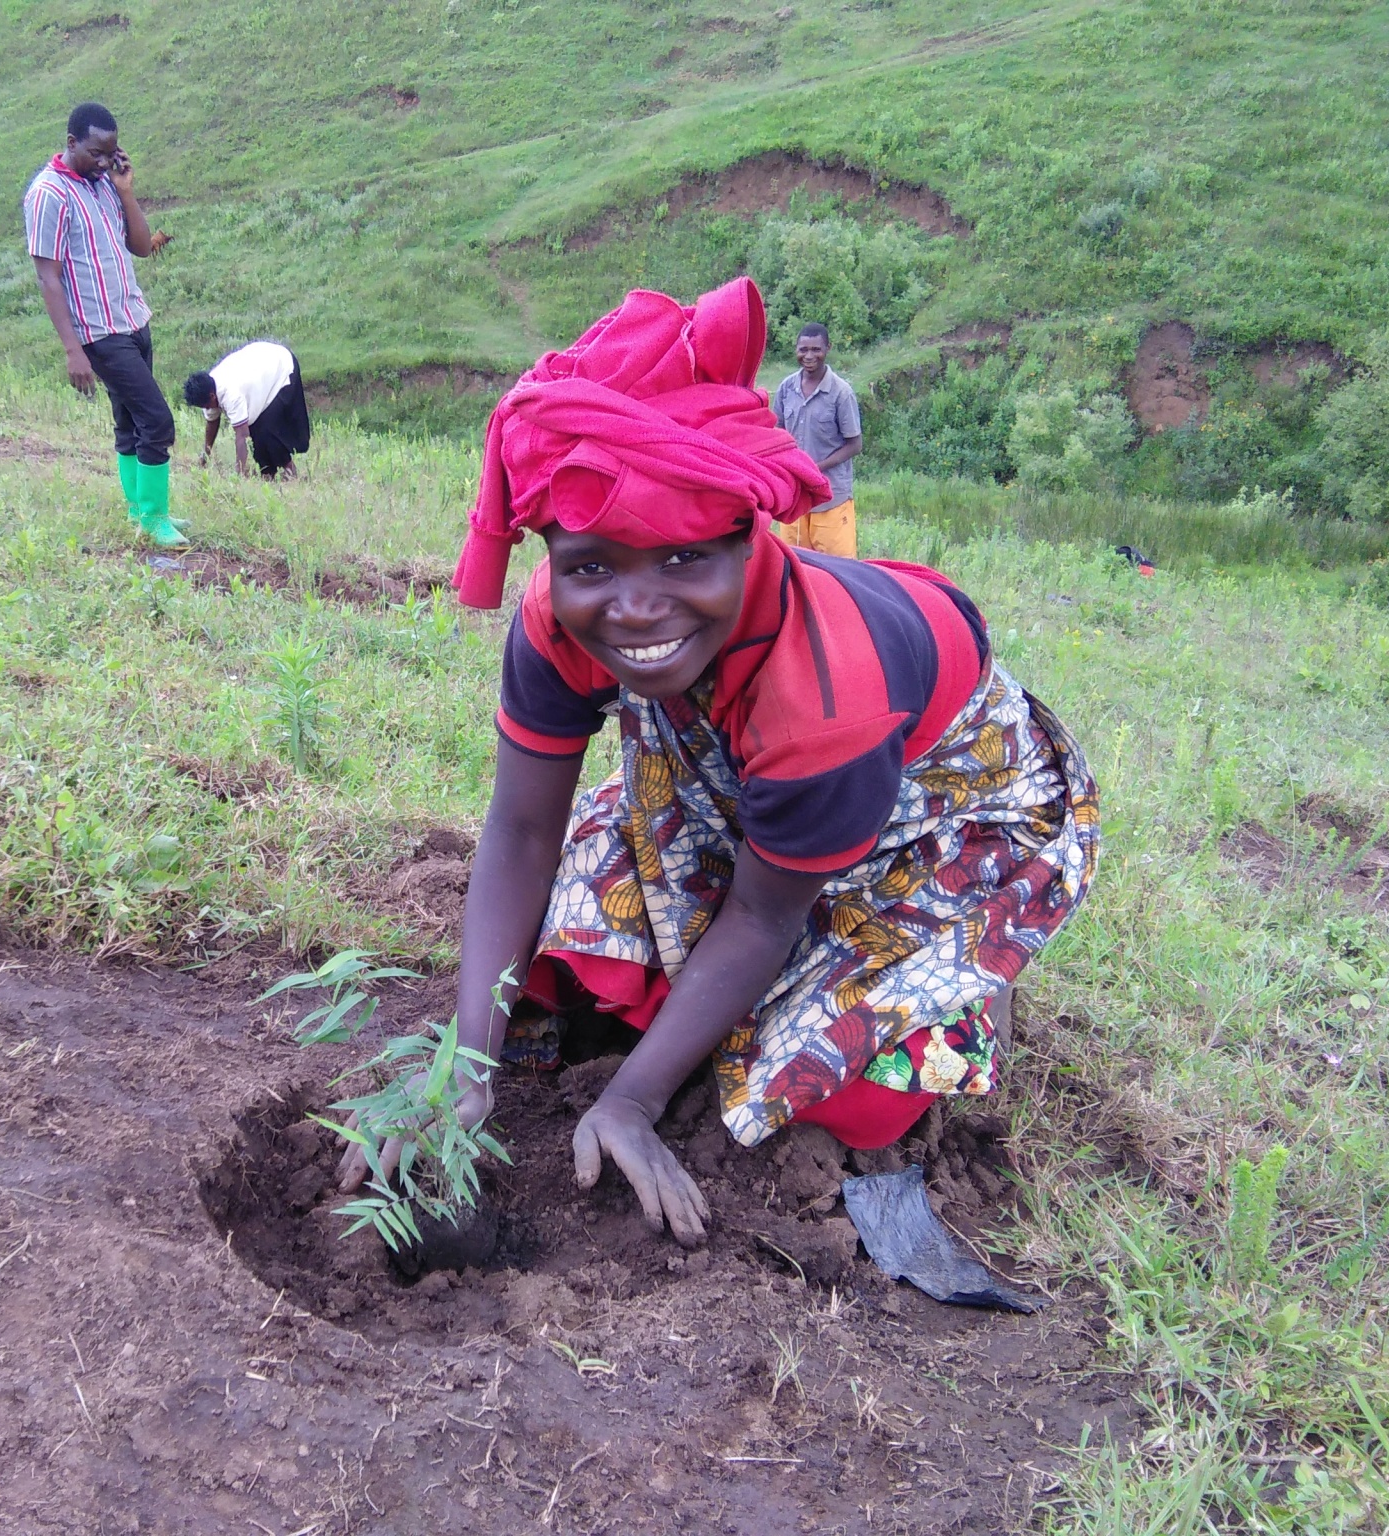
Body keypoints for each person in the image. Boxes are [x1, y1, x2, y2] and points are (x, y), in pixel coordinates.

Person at [338, 278, 1100, 1248]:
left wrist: (629, 1104)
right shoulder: (556, 624)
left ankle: (941, 966)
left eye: (681, 560)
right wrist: (464, 1063)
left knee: (852, 1099)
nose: (634, 607)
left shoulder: (824, 692)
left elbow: (758, 912)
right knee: (578, 973)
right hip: (747, 766)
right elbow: (521, 831)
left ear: (750, 538)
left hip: (951, 800)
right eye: (590, 567)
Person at [23, 102, 184, 548]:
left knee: (130, 421)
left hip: (132, 317)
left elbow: (140, 247)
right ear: (71, 143)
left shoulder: (104, 185)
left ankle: (139, 511)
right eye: (95, 153)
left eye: (110, 154)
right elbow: (47, 276)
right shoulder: (49, 194)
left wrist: (126, 190)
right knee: (157, 421)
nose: (103, 162)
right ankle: (155, 519)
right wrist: (73, 350)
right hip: (100, 332)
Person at [774, 323, 862, 556]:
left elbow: (855, 445)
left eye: (816, 349)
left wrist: (814, 469)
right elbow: (778, 432)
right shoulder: (786, 389)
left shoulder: (841, 393)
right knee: (795, 566)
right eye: (803, 350)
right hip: (794, 499)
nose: (809, 356)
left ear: (827, 349)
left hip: (831, 499)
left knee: (840, 571)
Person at [183, 341, 311, 479]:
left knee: (266, 432)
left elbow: (242, 436)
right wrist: (206, 453)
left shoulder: (231, 393)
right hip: (258, 369)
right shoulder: (209, 388)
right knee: (258, 433)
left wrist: (239, 473)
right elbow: (212, 422)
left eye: (207, 406)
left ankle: (290, 472)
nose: (207, 409)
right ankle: (268, 475)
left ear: (212, 396)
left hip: (281, 366)